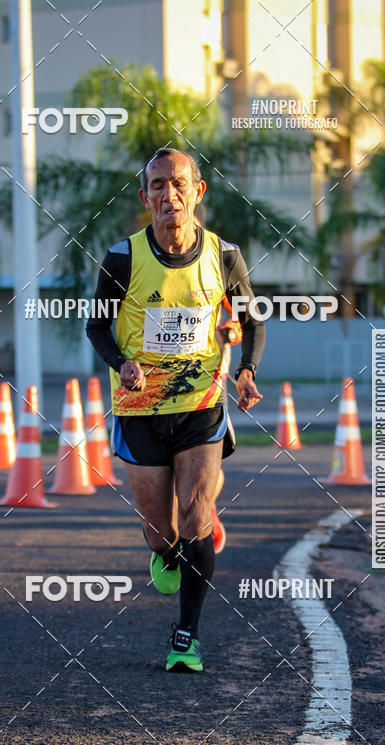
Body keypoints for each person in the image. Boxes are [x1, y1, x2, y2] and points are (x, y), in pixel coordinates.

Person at [86, 147, 265, 672]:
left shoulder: (224, 256)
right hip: (139, 408)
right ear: (146, 197)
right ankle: (170, 550)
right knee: (161, 533)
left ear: (198, 191)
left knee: (193, 514)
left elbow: (252, 320)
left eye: (180, 184)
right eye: (159, 185)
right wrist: (121, 363)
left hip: (201, 403)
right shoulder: (121, 258)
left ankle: (185, 637)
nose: (170, 194)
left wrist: (246, 371)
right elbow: (96, 326)